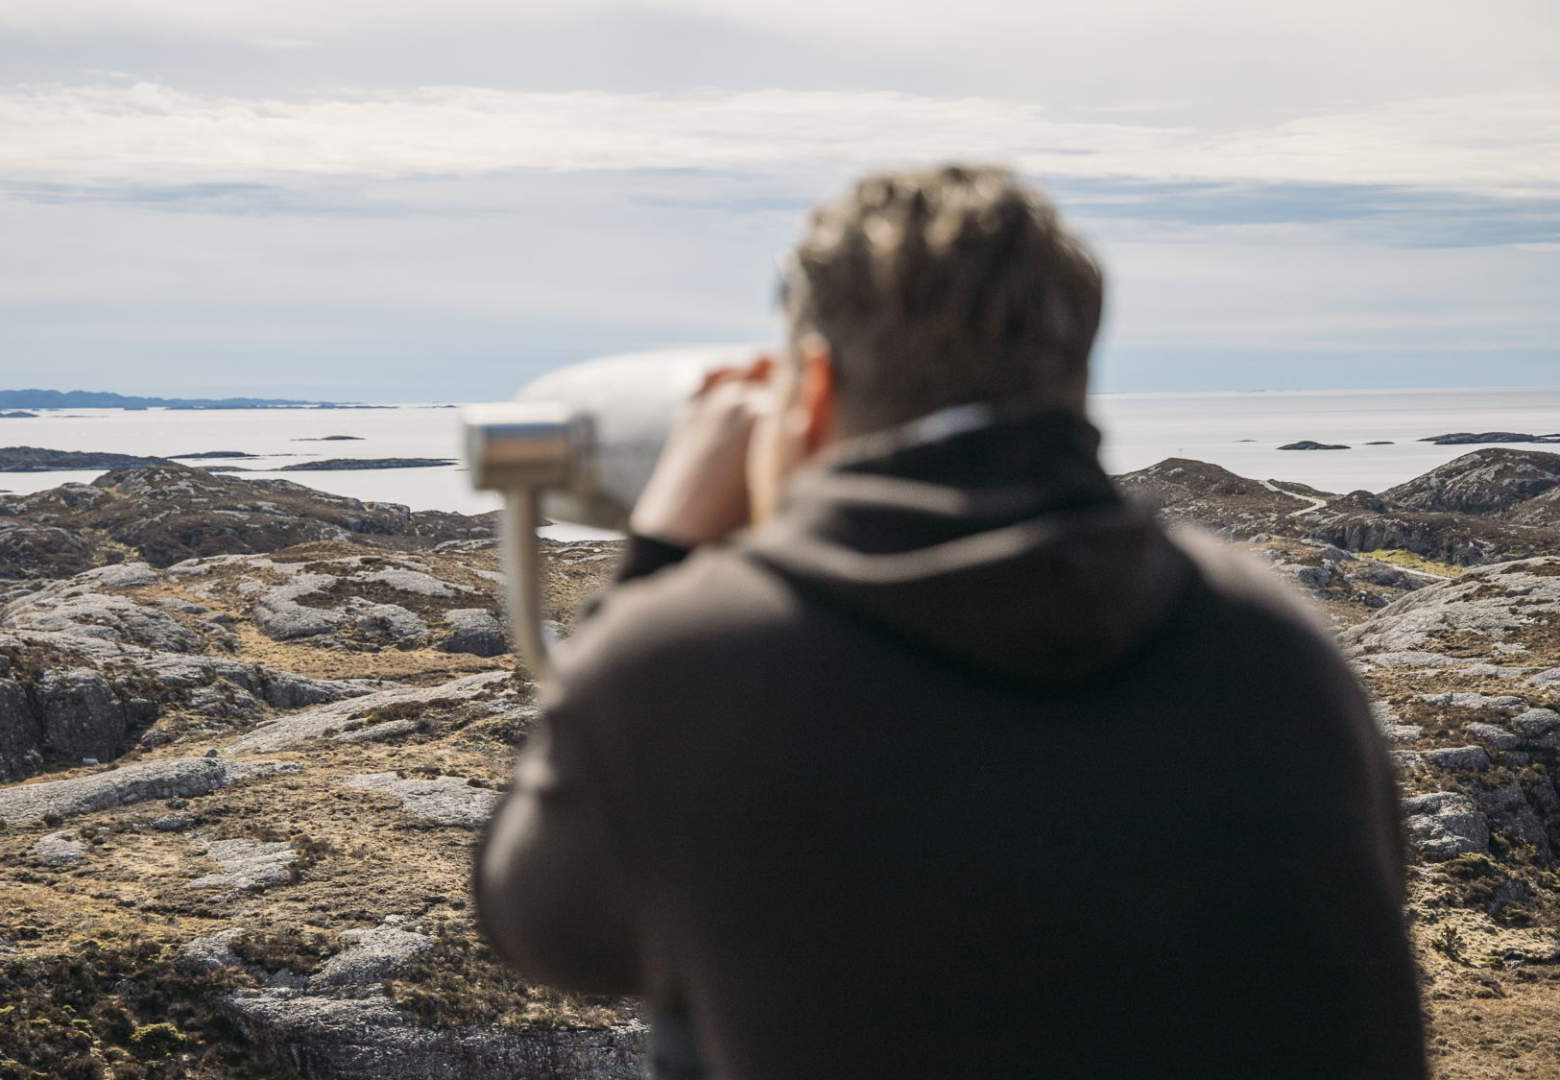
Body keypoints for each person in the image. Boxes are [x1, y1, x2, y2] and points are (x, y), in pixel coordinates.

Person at [473, 165, 1425, 1079]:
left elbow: (547, 929)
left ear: (812, 392)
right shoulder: (1275, 643)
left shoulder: (686, 666)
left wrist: (664, 556)